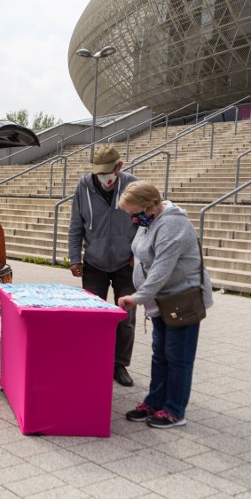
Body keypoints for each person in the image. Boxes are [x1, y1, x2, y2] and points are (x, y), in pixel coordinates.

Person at [117, 181, 213, 429]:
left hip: (181, 301)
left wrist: (136, 298)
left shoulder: (172, 224)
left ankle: (174, 410)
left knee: (177, 357)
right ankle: (155, 401)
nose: (132, 219)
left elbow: (161, 270)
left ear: (151, 206)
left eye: (134, 213)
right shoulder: (149, 221)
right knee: (160, 355)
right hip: (161, 301)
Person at [68, 144, 138, 386]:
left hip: (125, 264)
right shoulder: (83, 186)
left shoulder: (132, 185)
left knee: (126, 318)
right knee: (92, 318)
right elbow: (76, 224)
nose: (103, 177)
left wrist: (137, 254)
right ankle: (92, 360)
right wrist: (74, 257)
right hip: (94, 263)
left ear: (119, 167)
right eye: (99, 173)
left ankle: (119, 365)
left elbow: (146, 222)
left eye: (108, 172)